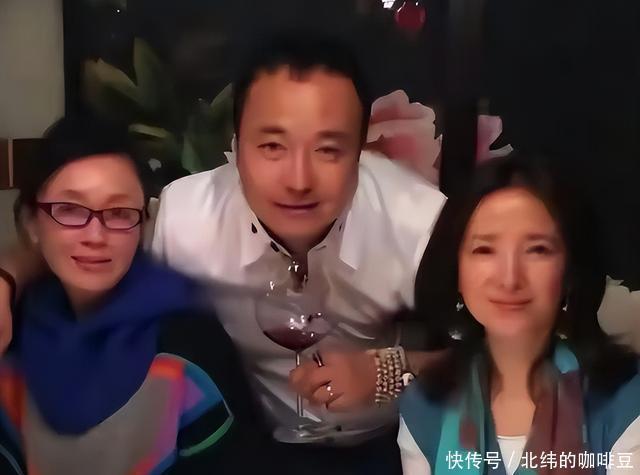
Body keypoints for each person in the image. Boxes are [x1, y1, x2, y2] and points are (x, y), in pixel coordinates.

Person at [0, 33, 446, 474]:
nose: (298, 180)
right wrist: (8, 275)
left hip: (386, 444)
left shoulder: (418, 224)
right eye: (271, 146)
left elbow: (482, 357)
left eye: (328, 149)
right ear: (236, 146)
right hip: (250, 447)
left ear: (360, 150)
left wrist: (393, 370)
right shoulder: (186, 218)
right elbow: (91, 239)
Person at [0, 116, 269, 475]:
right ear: (32, 223)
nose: (95, 235)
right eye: (70, 210)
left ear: (142, 225)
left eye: (118, 213)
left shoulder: (189, 346)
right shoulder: (10, 331)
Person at [398, 154, 640, 474]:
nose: (509, 278)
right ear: (456, 270)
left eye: (537, 250)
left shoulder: (624, 400)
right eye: (485, 250)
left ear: (570, 270)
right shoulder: (425, 406)